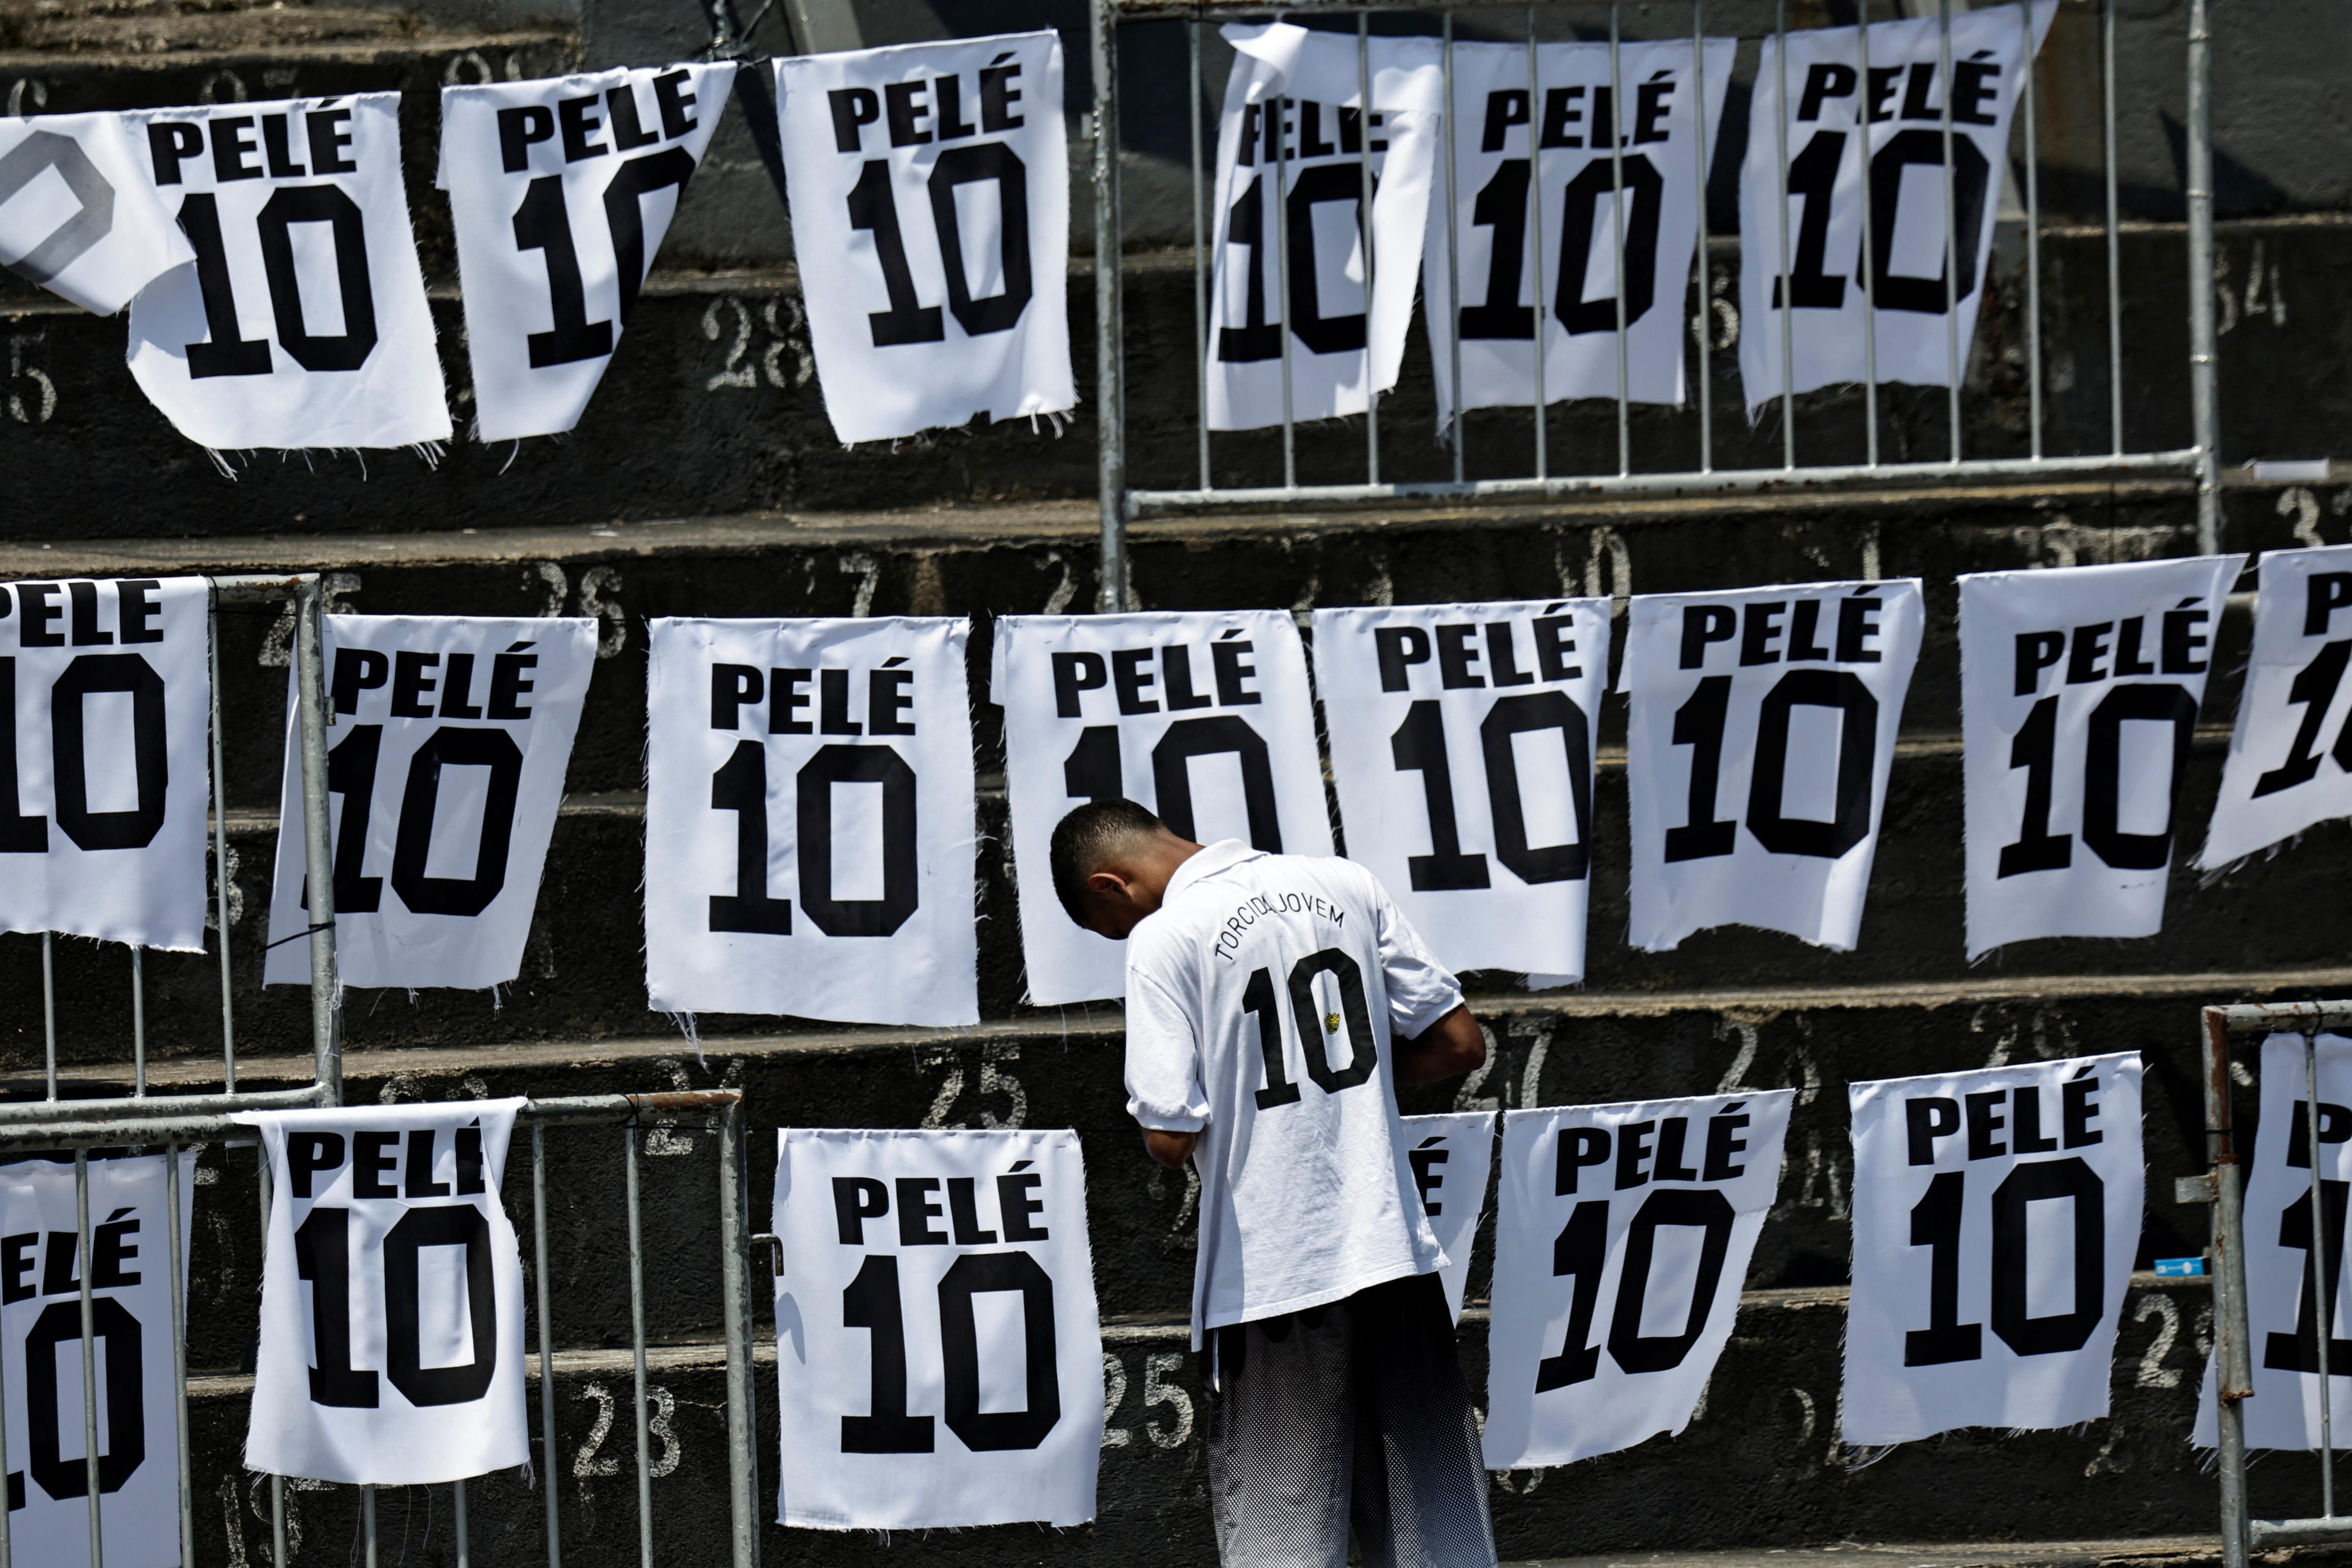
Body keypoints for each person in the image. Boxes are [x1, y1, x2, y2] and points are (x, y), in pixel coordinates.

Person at [1049, 798, 1497, 1568]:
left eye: (1110, 926)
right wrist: (1355, 1086)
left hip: (1275, 1277)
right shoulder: (1345, 882)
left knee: (1280, 1535)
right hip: (1392, 1252)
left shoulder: (1165, 937)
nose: (1123, 935)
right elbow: (1459, 1043)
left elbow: (1169, 1134)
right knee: (1437, 1529)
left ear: (1110, 885)